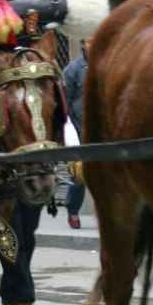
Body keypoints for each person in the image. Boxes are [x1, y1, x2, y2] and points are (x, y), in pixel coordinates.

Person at [0, 202, 42, 305]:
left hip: (30, 185)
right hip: (0, 186)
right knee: (8, 236)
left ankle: (10, 292)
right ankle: (24, 298)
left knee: (27, 236)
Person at [62, 40, 89, 229]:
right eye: (89, 41)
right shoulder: (73, 69)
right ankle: (73, 211)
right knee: (78, 175)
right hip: (79, 130)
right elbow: (65, 102)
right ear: (83, 45)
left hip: (100, 130)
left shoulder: (104, 63)